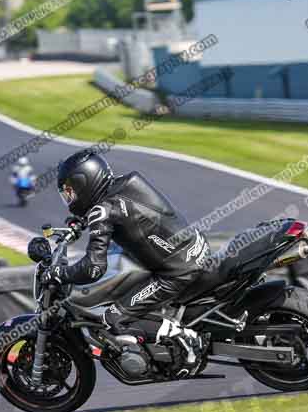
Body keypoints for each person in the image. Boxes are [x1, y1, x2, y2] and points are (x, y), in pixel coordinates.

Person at [41, 150, 211, 369]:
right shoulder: (125, 185)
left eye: (70, 193)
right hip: (194, 249)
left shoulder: (102, 211)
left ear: (85, 184)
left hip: (176, 272)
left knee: (113, 317)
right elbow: (119, 213)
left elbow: (94, 268)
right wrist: (81, 221)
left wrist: (59, 273)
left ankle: (187, 341)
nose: (69, 199)